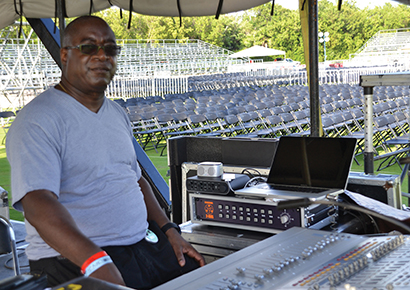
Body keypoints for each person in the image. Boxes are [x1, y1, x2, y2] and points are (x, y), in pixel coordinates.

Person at [6, 15, 205, 289]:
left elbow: (135, 180)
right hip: (75, 259)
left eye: (110, 48)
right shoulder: (37, 120)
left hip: (139, 246)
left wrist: (170, 230)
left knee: (203, 276)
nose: (102, 55)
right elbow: (38, 204)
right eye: (88, 47)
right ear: (65, 54)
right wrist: (96, 261)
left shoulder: (115, 113)